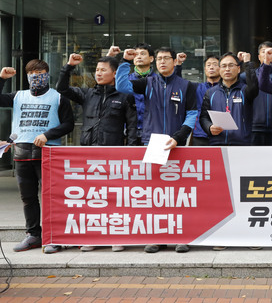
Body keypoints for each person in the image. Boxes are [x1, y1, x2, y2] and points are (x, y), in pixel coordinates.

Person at [115, 46, 197, 253]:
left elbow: (192, 113)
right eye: (159, 59)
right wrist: (125, 61)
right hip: (153, 142)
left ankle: (182, 237)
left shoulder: (186, 86)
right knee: (156, 193)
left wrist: (179, 137)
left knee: (181, 194)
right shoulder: (147, 83)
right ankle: (157, 238)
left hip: (177, 143)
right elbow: (122, 85)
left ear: (173, 61)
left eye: (166, 58)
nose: (162, 62)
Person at [56, 54, 138, 252]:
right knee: (93, 198)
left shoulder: (124, 96)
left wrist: (131, 152)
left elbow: (133, 126)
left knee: (115, 198)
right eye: (97, 70)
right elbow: (62, 88)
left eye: (103, 70)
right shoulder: (87, 94)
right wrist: (68, 67)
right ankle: (92, 237)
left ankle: (116, 237)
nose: (99, 73)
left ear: (114, 73)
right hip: (89, 154)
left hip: (114, 154)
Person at [0, 61, 74, 254]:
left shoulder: (58, 98)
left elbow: (68, 124)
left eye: (40, 72)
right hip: (22, 155)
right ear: (27, 76)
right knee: (28, 198)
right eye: (31, 72)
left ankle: (54, 237)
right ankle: (33, 235)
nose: (35, 75)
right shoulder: (18, 96)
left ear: (47, 74)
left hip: (48, 153)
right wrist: (2, 79)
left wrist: (48, 135)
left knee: (52, 197)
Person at [199, 52, 258, 145]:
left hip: (241, 144)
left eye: (231, 65)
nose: (227, 69)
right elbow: (203, 117)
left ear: (238, 69)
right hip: (217, 143)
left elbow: (254, 85)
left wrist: (247, 63)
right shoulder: (211, 92)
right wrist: (209, 127)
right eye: (223, 66)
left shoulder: (245, 90)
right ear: (219, 69)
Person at [192, 53, 221, 146]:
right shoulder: (197, 87)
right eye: (208, 65)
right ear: (204, 69)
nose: (211, 67)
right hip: (200, 135)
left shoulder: (225, 89)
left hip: (221, 134)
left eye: (215, 64)